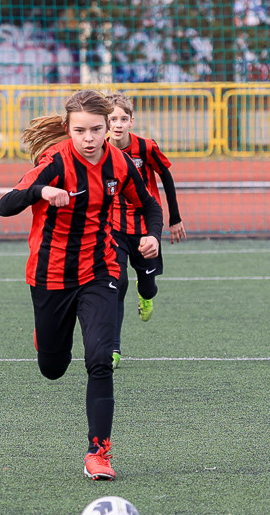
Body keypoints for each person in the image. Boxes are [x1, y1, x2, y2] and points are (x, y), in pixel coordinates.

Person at [0, 90, 163, 481]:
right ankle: (46, 335)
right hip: (51, 274)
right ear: (68, 130)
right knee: (53, 368)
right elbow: (5, 204)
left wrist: (153, 234)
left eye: (96, 130)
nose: (88, 138)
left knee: (100, 359)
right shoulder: (54, 162)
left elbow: (149, 205)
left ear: (108, 128)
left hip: (101, 270)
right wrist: (40, 191)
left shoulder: (120, 163)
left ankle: (98, 453)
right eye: (80, 130)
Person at [106, 92, 187, 369]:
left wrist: (174, 218)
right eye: (112, 119)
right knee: (115, 284)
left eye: (123, 118)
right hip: (114, 226)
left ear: (132, 121)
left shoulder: (146, 148)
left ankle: (146, 293)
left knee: (148, 285)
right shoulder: (99, 149)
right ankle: (113, 350)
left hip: (145, 229)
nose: (118, 124)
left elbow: (166, 177)